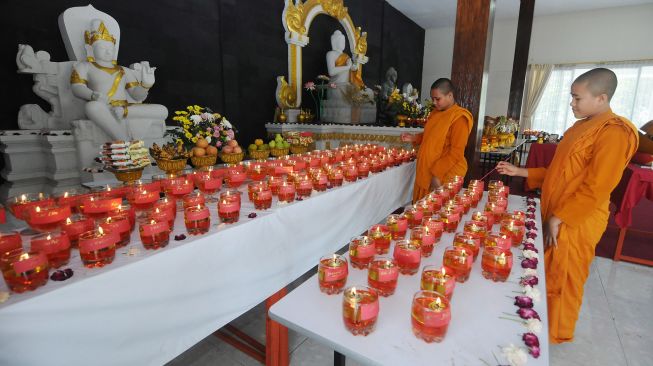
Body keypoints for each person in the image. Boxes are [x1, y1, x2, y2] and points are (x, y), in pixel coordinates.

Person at [497, 68, 639, 343]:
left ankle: (554, 336)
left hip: (577, 219)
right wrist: (521, 172)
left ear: (601, 98)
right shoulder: (580, 127)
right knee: (547, 273)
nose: (571, 104)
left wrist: (559, 217)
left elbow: (598, 186)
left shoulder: (614, 133)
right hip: (558, 212)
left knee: (564, 279)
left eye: (577, 98)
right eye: (571, 97)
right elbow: (561, 171)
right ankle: (538, 324)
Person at [401, 78, 473, 202]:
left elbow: (456, 152)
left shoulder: (459, 118)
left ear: (450, 95)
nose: (434, 102)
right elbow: (431, 136)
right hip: (427, 170)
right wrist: (414, 138)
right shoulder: (435, 113)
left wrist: (436, 174)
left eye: (437, 99)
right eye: (432, 98)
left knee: (437, 214)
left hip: (443, 174)